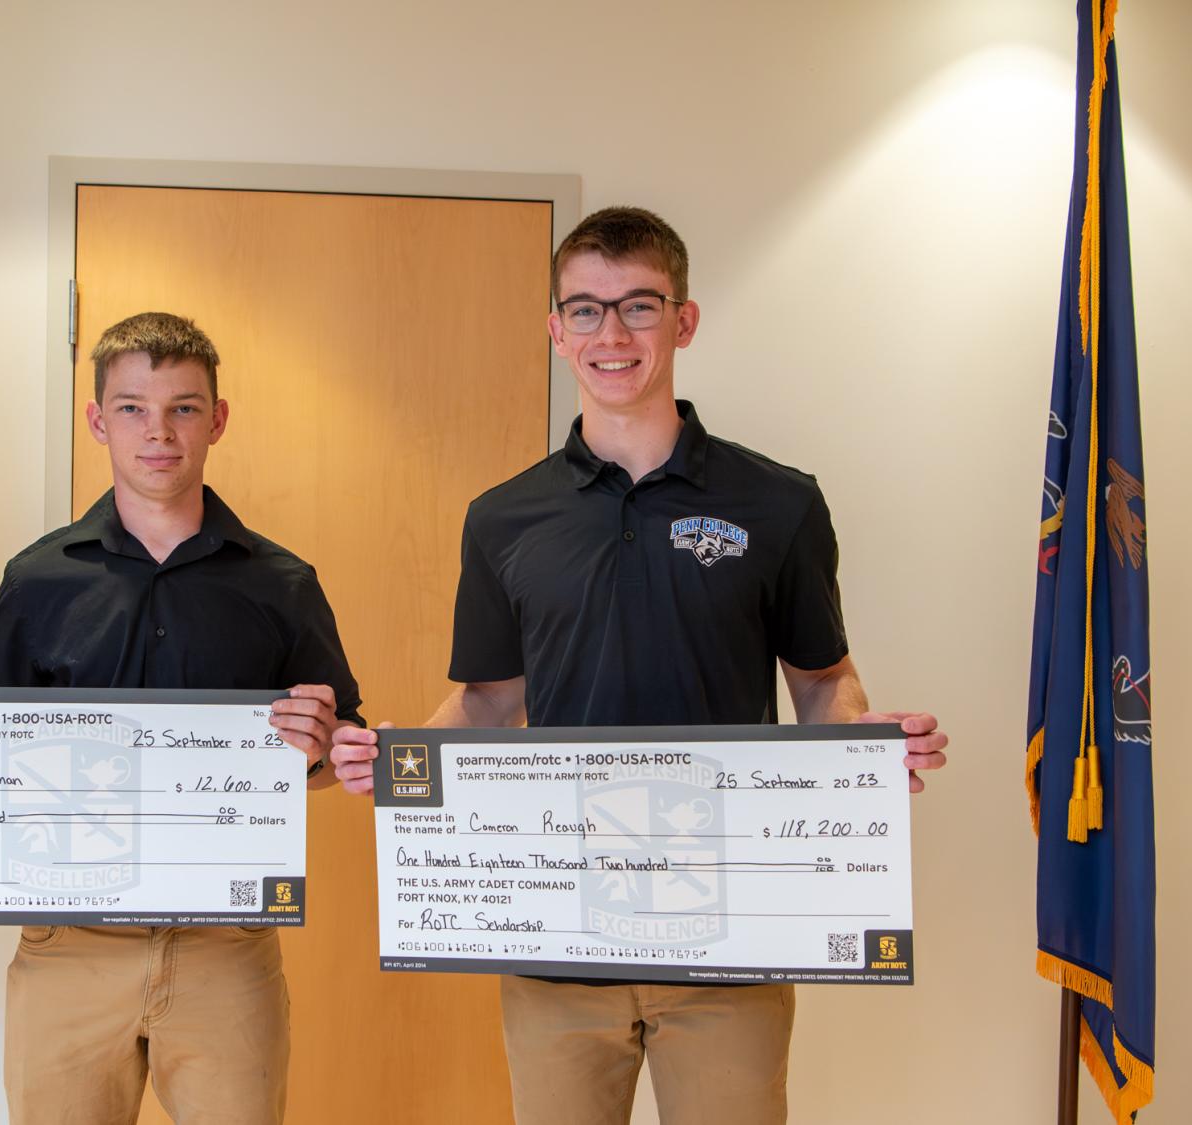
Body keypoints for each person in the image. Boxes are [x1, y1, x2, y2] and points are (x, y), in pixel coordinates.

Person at [330, 207, 948, 1125]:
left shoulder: (778, 503)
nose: (610, 334)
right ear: (555, 330)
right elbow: (489, 704)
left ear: (684, 320)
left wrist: (860, 747)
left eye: (638, 307)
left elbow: (821, 679)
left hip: (730, 936)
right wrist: (395, 758)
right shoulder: (503, 519)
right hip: (557, 940)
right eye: (584, 310)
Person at [0, 311, 362, 1124]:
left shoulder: (282, 584)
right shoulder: (38, 579)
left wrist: (321, 752)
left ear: (218, 420)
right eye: (132, 408)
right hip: (66, 946)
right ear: (96, 420)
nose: (159, 431)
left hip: (228, 950)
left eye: (184, 407)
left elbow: (333, 760)